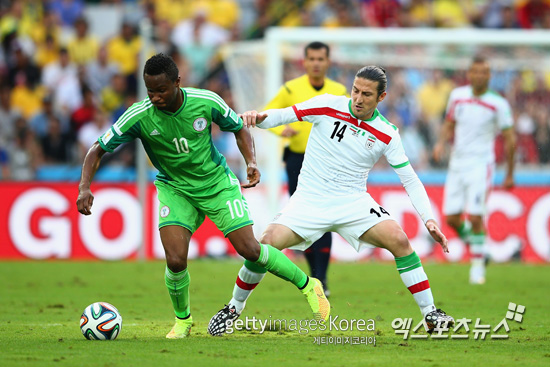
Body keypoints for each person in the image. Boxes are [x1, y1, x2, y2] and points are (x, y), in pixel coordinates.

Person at [76, 53, 329, 339]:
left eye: (161, 90)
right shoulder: (140, 115)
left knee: (250, 250)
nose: (156, 98)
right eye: (150, 92)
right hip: (175, 188)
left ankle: (309, 285)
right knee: (175, 260)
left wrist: (251, 162)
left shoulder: (206, 101)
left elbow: (239, 129)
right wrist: (85, 186)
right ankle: (183, 320)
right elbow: (98, 148)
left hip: (216, 183)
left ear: (177, 83)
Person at [208, 66, 454, 336]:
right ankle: (233, 307)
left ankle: (431, 313)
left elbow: (410, 179)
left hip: (353, 201)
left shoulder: (387, 133)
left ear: (381, 98)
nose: (358, 99)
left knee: (400, 240)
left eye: (367, 95)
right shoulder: (328, 104)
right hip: (309, 200)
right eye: (355, 91)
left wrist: (428, 219)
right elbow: (282, 115)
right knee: (265, 244)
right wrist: (256, 118)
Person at [264, 41, 348, 297]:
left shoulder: (339, 90)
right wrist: (282, 129)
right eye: (311, 59)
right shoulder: (291, 88)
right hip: (298, 161)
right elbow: (268, 113)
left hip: (328, 162)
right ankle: (316, 277)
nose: (315, 64)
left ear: (327, 62)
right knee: (305, 218)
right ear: (305, 61)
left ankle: (321, 278)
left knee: (327, 219)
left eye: (320, 59)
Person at [433, 56, 516, 285]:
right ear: (469, 74)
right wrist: (440, 143)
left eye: (484, 72)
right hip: (457, 163)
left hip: (481, 164)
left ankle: (477, 267)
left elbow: (510, 139)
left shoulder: (498, 103)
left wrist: (510, 173)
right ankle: (482, 250)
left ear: (489, 76)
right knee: (451, 218)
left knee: (476, 216)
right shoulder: (458, 96)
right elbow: (449, 123)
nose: (479, 76)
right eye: (475, 72)